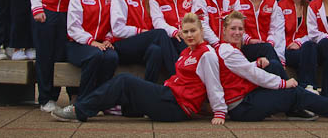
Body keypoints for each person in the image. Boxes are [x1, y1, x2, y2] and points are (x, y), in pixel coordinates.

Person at [52, 13, 227, 124]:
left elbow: (214, 84)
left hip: (176, 107)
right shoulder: (187, 53)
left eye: (193, 31)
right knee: (128, 92)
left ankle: (79, 110)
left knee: (124, 81)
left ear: (201, 31)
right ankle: (108, 107)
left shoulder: (207, 54)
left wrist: (219, 112)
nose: (189, 35)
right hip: (169, 96)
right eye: (186, 31)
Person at [218, 11, 328, 122]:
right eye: (233, 29)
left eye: (240, 29)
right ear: (224, 31)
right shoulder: (228, 51)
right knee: (294, 93)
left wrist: (257, 63)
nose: (237, 32)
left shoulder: (230, 49)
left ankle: (297, 108)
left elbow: (242, 69)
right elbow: (254, 75)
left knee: (274, 65)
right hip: (242, 107)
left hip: (246, 98)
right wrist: (284, 83)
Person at [110, 0, 178, 82]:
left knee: (156, 51)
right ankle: (180, 77)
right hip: (122, 46)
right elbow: (117, 30)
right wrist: (141, 31)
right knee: (160, 34)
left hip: (142, 47)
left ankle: (148, 89)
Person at [66, 0, 119, 100]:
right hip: (78, 45)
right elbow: (73, 27)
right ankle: (84, 99)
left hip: (102, 44)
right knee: (94, 55)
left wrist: (108, 39)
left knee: (112, 57)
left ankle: (101, 99)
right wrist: (91, 41)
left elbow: (115, 24)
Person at [236, 0, 287, 72]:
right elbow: (234, 26)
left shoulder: (271, 2)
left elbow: (276, 29)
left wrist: (270, 42)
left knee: (273, 63)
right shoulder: (238, 1)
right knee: (268, 51)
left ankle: (282, 79)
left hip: (267, 47)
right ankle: (286, 80)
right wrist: (248, 40)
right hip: (246, 47)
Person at [279, 0, 319, 92]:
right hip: (286, 50)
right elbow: (277, 32)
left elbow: (314, 32)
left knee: (309, 47)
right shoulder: (280, 5)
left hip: (306, 49)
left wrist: (299, 42)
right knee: (307, 53)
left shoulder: (310, 6)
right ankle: (308, 86)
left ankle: (307, 87)